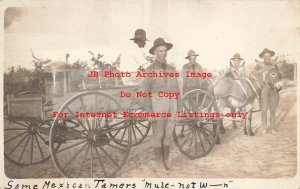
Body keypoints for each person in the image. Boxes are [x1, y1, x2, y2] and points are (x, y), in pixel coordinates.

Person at [143, 38, 181, 171]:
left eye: (165, 51)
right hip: (158, 103)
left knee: (168, 134)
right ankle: (159, 163)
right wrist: (149, 112)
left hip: (172, 104)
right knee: (159, 134)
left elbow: (177, 89)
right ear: (155, 52)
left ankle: (166, 160)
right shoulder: (149, 70)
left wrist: (179, 108)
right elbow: (145, 92)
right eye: (160, 51)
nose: (163, 53)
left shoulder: (172, 69)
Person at [250, 48, 281, 134]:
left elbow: (279, 76)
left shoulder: (274, 64)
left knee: (273, 110)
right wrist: (261, 70)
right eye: (265, 56)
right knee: (264, 110)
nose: (267, 57)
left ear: (271, 56)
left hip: (274, 90)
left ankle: (273, 128)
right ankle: (264, 128)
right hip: (264, 89)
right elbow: (251, 74)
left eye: (269, 56)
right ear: (263, 57)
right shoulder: (259, 65)